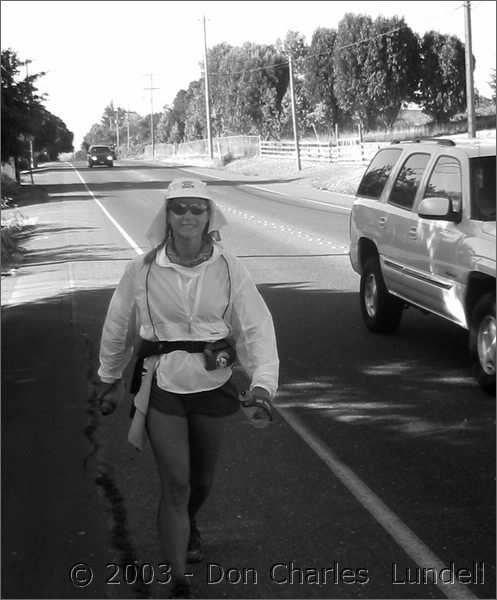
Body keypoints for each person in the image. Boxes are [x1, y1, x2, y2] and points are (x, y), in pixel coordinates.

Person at [96, 177, 279, 599]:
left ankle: (189, 521)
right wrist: (108, 379)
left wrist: (263, 384)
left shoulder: (230, 267)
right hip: (163, 382)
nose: (189, 216)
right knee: (176, 481)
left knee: (202, 482)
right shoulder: (141, 270)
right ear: (167, 215)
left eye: (198, 208)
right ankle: (178, 579)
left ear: (210, 215)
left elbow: (255, 326)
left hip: (214, 383)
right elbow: (118, 324)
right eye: (180, 208)